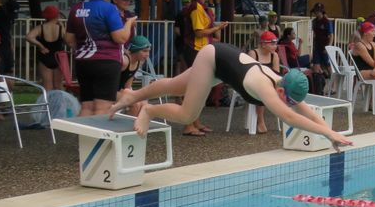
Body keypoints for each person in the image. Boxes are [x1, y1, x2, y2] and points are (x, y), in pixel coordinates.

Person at [109, 43, 353, 149]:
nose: (289, 104)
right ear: (281, 91)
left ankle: (131, 96)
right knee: (187, 115)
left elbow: (307, 111)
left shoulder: (287, 85)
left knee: (175, 85)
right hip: (213, 58)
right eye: (287, 100)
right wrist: (327, 133)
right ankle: (149, 110)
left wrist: (331, 134)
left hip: (224, 65)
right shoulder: (267, 88)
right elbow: (290, 118)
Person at [65, 0, 137, 116]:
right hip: (106, 62)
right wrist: (129, 23)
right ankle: (99, 132)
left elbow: (69, 39)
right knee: (102, 107)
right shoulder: (108, 8)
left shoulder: (76, 8)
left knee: (86, 106)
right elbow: (120, 38)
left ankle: (83, 132)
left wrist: (84, 48)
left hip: (82, 62)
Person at [183, 0, 228, 135]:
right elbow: (199, 32)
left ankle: (195, 122)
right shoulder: (196, 8)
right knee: (194, 87)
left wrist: (215, 30)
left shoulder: (203, 7)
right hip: (194, 50)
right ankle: (188, 125)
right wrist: (217, 28)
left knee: (200, 88)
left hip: (200, 49)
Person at [246, 30, 282, 134]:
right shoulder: (253, 53)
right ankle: (260, 120)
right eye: (272, 44)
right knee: (263, 89)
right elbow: (250, 73)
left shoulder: (274, 55)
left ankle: (288, 118)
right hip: (251, 83)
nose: (275, 46)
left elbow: (276, 74)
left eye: (275, 43)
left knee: (285, 90)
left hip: (268, 83)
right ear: (263, 45)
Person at [26, 5, 65, 91]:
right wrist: (62, 26)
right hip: (58, 58)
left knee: (47, 87)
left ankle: (48, 100)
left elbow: (29, 37)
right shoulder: (60, 28)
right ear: (57, 16)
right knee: (58, 87)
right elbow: (66, 40)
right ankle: (59, 100)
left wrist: (41, 46)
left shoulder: (40, 28)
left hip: (45, 58)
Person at [117, 35, 152, 118]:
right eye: (144, 51)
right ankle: (129, 125)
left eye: (148, 51)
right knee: (135, 104)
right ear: (135, 50)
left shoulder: (139, 62)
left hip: (121, 91)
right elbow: (109, 81)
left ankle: (134, 125)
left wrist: (130, 93)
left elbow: (128, 85)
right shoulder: (124, 62)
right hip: (110, 91)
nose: (147, 54)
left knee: (144, 104)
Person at [310, 3, 333, 85]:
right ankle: (318, 86)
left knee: (328, 65)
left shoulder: (327, 22)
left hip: (325, 46)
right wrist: (313, 45)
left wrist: (328, 47)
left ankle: (333, 85)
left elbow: (331, 35)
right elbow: (314, 34)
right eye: (316, 11)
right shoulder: (314, 21)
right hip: (317, 46)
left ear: (322, 11)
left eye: (318, 11)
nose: (316, 13)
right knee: (316, 66)